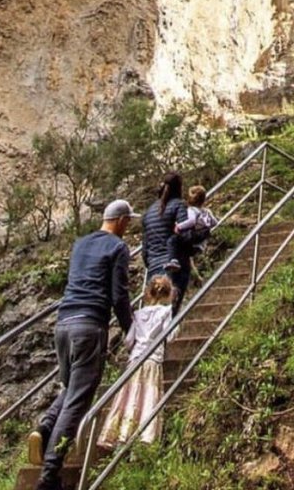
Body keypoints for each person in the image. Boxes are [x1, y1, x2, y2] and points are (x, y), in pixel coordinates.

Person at [29, 198, 139, 490]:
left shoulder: (80, 244)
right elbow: (119, 295)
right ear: (119, 220)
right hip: (89, 326)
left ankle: (44, 427)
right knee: (78, 401)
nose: (128, 227)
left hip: (63, 324)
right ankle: (49, 476)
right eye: (128, 221)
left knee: (70, 390)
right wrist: (130, 330)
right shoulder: (117, 247)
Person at [96, 275, 174, 449]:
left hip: (135, 359)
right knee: (148, 396)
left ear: (149, 293)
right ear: (169, 294)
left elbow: (129, 340)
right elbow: (171, 334)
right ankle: (145, 437)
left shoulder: (138, 314)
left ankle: (119, 435)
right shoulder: (166, 312)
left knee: (129, 395)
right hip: (152, 359)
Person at [141, 171, 189, 312]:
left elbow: (145, 246)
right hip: (174, 266)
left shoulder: (149, 212)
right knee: (171, 312)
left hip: (153, 266)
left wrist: (149, 263)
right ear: (179, 187)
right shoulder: (179, 205)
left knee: (154, 311)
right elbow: (185, 234)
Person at [169, 184, 219, 281]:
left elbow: (191, 221)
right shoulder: (207, 211)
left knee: (173, 240)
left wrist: (179, 226)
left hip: (193, 241)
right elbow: (215, 222)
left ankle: (173, 260)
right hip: (201, 243)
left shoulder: (192, 210)